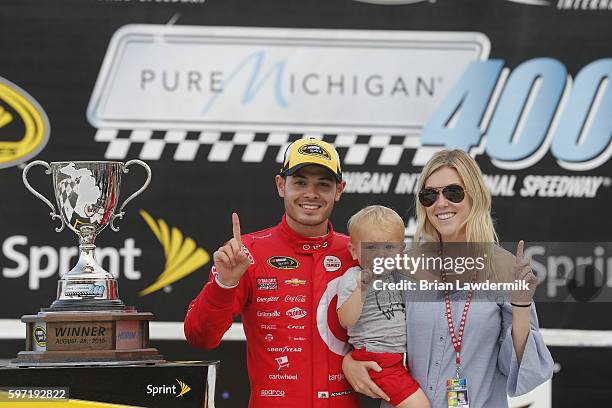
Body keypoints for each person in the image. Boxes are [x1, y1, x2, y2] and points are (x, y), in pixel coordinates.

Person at [342, 149, 554, 408]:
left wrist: (521, 306)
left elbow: (520, 369)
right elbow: (369, 326)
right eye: (429, 195)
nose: (441, 203)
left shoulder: (505, 267)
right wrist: (349, 361)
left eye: (453, 192)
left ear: (474, 195)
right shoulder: (402, 265)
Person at [184, 138, 361, 407]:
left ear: (339, 190)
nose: (311, 193)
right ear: (281, 185)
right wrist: (224, 284)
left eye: (323, 184)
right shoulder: (246, 253)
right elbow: (200, 337)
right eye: (300, 182)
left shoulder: (356, 254)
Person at [337, 205, 430, 408]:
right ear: (354, 251)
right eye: (371, 247)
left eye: (389, 248)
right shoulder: (354, 277)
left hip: (399, 359)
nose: (381, 255)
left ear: (401, 250)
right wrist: (362, 288)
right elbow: (346, 320)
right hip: (376, 359)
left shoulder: (395, 277)